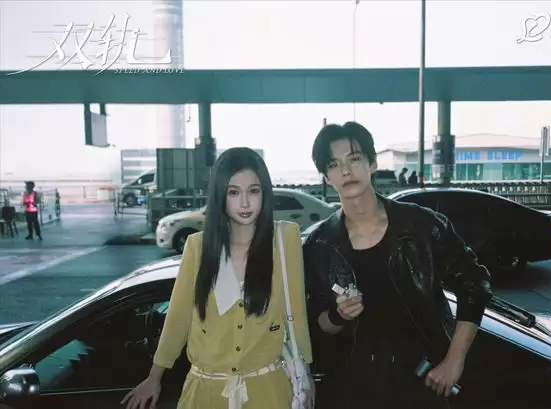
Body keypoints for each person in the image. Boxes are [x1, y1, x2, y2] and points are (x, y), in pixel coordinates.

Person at [303, 121, 493, 409]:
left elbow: (475, 285)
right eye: (334, 164)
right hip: (351, 389)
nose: (346, 171)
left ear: (373, 163)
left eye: (354, 159)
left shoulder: (420, 226)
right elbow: (314, 325)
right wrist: (338, 315)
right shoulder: (319, 244)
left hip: (421, 383)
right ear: (327, 176)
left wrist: (454, 361)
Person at [122, 147, 313, 409]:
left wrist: (306, 376)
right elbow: (178, 317)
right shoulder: (198, 247)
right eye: (233, 192)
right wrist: (155, 377)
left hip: (268, 389)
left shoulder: (284, 239)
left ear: (265, 193)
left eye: (253, 191)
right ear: (220, 195)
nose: (244, 203)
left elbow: (297, 313)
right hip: (206, 392)